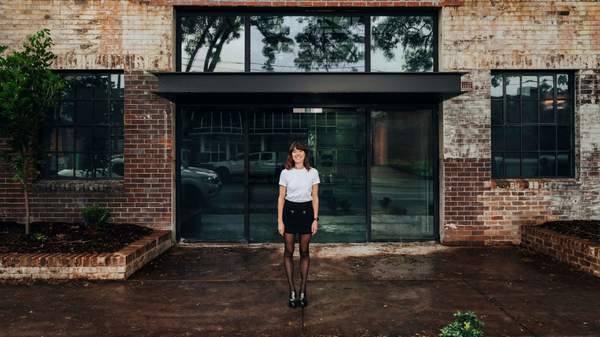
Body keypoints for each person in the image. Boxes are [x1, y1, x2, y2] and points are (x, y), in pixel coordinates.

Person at [277, 141, 320, 308]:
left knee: (304, 251)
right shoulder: (285, 173)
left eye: (300, 151)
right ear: (291, 155)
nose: (297, 154)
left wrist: (315, 219)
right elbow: (281, 198)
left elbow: (315, 197)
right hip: (289, 212)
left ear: (305, 154)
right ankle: (292, 291)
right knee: (288, 251)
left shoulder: (313, 172)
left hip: (306, 212)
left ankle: (303, 291)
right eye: (294, 152)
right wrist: (280, 221)